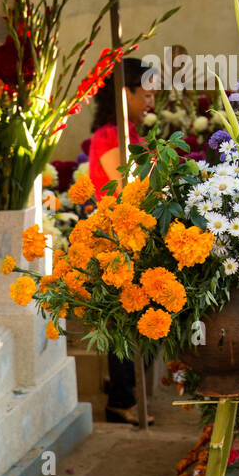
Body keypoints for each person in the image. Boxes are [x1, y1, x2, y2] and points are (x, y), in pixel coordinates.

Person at [88, 57, 155, 425]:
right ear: (123, 93)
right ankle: (120, 399)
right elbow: (132, 189)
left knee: (144, 323)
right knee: (127, 325)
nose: (151, 103)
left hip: (139, 239)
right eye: (145, 95)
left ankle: (127, 396)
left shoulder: (137, 138)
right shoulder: (110, 138)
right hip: (118, 242)